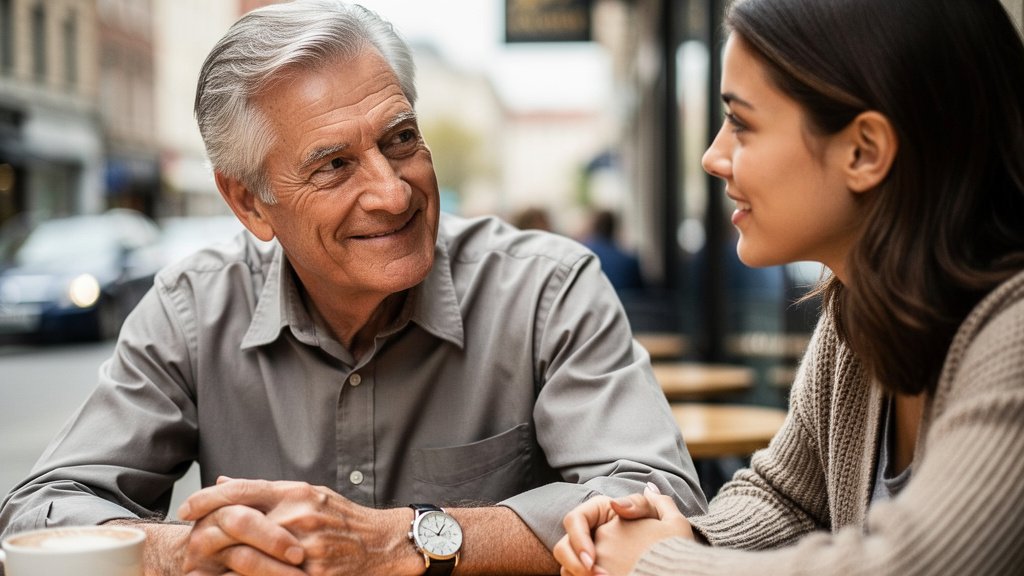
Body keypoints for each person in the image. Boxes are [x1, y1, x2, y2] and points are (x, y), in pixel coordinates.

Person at [0, 1, 707, 574]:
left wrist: (410, 540)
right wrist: (179, 552)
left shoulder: (546, 287)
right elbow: (41, 512)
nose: (393, 193)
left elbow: (661, 504)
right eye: (334, 165)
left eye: (401, 139)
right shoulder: (192, 309)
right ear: (249, 203)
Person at [554, 0, 1024, 574]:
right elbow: (787, 499)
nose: (712, 157)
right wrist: (688, 540)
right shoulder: (859, 312)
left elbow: (918, 564)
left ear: (864, 151)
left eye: (742, 124)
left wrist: (660, 564)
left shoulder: (1014, 333)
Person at [580, 210, 644, 293]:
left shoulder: (584, 256)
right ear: (613, 228)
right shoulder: (629, 260)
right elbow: (639, 293)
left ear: (594, 227)